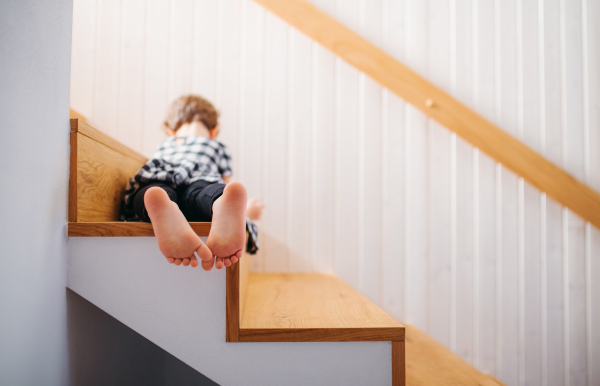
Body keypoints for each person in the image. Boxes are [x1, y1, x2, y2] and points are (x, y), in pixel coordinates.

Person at [121, 95, 264, 271]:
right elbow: (225, 181)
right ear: (214, 131)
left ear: (170, 131)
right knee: (207, 193)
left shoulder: (165, 144)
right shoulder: (217, 146)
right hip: (200, 180)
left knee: (152, 192)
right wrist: (244, 210)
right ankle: (219, 202)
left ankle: (161, 203)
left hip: (162, 177)